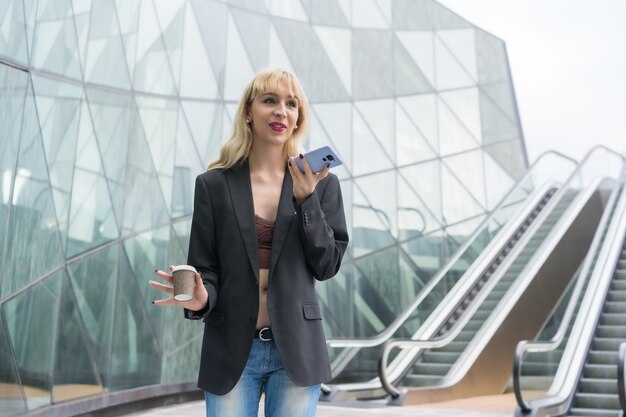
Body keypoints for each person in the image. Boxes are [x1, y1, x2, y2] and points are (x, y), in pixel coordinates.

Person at [150, 68, 349, 417]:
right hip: (230, 349)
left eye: (291, 104)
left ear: (298, 117)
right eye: (269, 101)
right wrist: (200, 297)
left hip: (297, 350)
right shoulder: (213, 185)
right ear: (248, 111)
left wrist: (307, 202)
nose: (280, 111)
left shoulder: (322, 185)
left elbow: (327, 265)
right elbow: (205, 267)